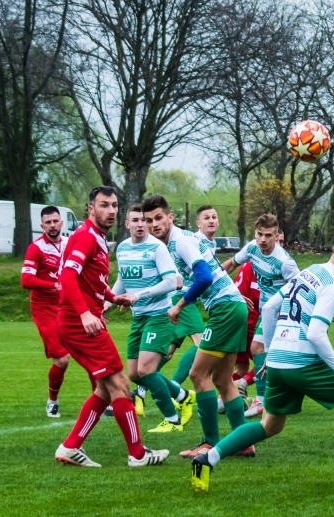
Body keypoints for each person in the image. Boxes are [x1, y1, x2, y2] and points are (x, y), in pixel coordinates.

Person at [191, 228, 334, 497]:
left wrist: (272, 351)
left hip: (278, 363)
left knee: (270, 425)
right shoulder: (332, 285)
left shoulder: (309, 271)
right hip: (303, 362)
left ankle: (209, 458)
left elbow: (271, 306)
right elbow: (316, 334)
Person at [54, 186, 169, 467]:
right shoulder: (85, 237)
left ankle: (70, 447)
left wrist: (111, 297)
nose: (111, 211)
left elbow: (92, 281)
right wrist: (84, 314)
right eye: (104, 205)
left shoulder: (97, 239)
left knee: (105, 390)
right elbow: (68, 277)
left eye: (115, 205)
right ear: (90, 208)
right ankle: (138, 454)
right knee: (119, 382)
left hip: (80, 322)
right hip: (79, 324)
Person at [142, 195, 251, 459]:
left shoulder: (180, 241)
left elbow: (203, 276)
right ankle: (243, 442)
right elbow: (210, 268)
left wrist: (180, 305)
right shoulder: (180, 242)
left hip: (225, 308)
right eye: (148, 221)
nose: (154, 224)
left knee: (198, 375)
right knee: (223, 379)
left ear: (170, 217)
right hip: (232, 305)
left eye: (158, 218)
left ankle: (209, 443)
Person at [110, 204, 196, 432]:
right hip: (138, 318)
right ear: (127, 224)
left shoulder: (157, 248)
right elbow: (122, 280)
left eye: (144, 220)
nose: (141, 224)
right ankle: (183, 395)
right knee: (135, 374)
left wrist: (137, 295)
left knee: (146, 371)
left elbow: (170, 282)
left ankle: (173, 419)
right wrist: (107, 302)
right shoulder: (123, 248)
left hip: (159, 315)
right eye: (135, 220)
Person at [222, 214, 299, 418]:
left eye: (268, 235)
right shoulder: (251, 249)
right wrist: (215, 280)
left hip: (282, 312)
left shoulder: (284, 262)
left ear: (276, 236)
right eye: (259, 234)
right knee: (268, 353)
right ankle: (272, 396)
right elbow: (230, 264)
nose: (263, 240)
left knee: (260, 349)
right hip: (266, 310)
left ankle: (263, 399)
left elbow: (300, 289)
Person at [21, 206, 70, 418]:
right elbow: (26, 280)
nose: (52, 225)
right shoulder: (36, 248)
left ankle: (103, 401)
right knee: (62, 360)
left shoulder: (69, 243)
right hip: (44, 310)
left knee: (91, 354)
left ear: (61, 223)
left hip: (67, 306)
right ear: (42, 226)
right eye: (48, 222)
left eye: (55, 221)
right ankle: (52, 401)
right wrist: (53, 285)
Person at [232, 261, 261, 395]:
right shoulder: (264, 265)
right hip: (252, 322)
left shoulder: (247, 264)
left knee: (241, 367)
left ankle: (225, 398)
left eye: (282, 242)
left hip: (237, 319)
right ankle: (243, 383)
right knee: (273, 360)